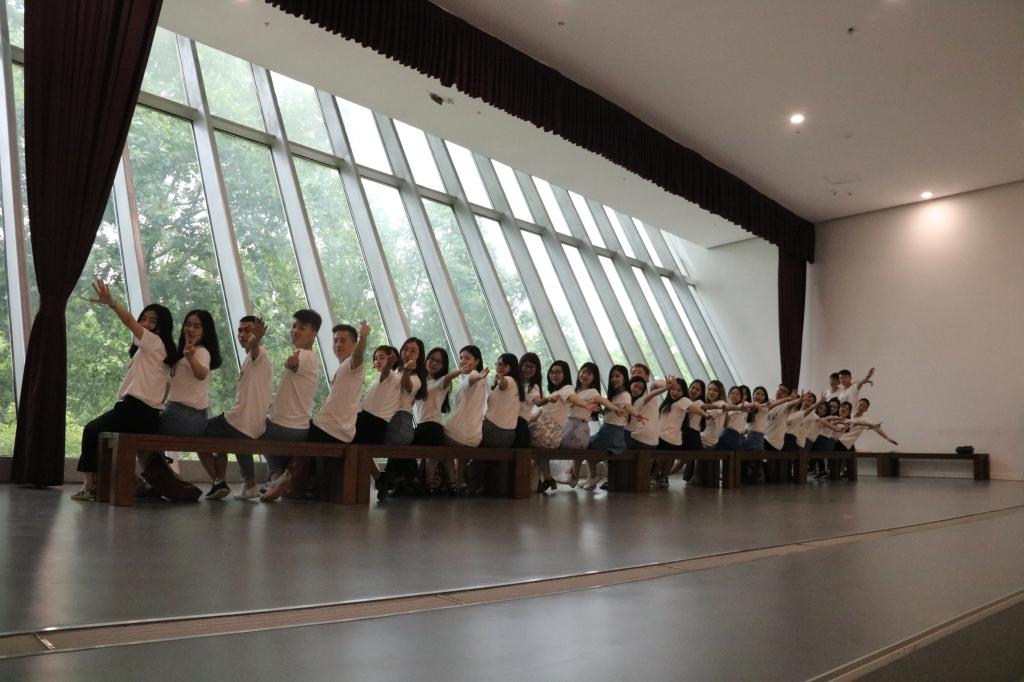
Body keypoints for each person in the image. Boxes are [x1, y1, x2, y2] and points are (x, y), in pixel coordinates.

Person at [73, 280, 177, 501]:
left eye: (152, 321)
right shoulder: (155, 349)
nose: (145, 323)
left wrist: (112, 303)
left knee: (91, 430)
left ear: (161, 326)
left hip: (137, 409)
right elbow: (166, 386)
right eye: (144, 319)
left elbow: (128, 321)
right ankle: (127, 481)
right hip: (145, 411)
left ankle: (89, 486)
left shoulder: (154, 342)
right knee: (101, 434)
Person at [200, 316, 273, 500]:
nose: (242, 334)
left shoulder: (258, 354)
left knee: (199, 430)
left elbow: (254, 346)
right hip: (252, 425)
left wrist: (256, 338)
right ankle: (250, 486)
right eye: (240, 330)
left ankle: (218, 481)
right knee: (238, 438)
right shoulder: (252, 359)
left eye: (248, 330)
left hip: (240, 420)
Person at [258, 309, 323, 502]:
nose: (295, 331)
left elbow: (295, 363)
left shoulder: (303, 355)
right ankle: (278, 478)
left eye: (302, 328)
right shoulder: (312, 358)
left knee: (252, 428)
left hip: (282, 428)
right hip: (300, 429)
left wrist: (291, 363)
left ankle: (276, 477)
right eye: (294, 326)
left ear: (313, 333)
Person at [158, 309, 222, 498]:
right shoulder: (183, 356)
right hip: (195, 419)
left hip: (180, 415)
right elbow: (169, 388)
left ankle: (164, 478)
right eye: (188, 324)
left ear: (205, 331)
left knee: (141, 427)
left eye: (197, 326)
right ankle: (219, 482)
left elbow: (201, 374)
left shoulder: (200, 352)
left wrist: (191, 357)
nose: (191, 329)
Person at [377, 337, 427, 498]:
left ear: (419, 356)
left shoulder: (416, 378)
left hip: (400, 424)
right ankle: (395, 480)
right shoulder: (395, 372)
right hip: (392, 420)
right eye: (405, 349)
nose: (407, 353)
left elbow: (407, 386)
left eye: (413, 351)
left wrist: (406, 370)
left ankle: (387, 479)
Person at [308, 322, 369, 445]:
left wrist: (363, 337)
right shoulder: (343, 367)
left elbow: (358, 355)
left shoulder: (354, 365)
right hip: (330, 429)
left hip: (329, 430)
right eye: (335, 341)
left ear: (354, 344)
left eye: (342, 341)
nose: (338, 344)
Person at [443, 345, 490, 492]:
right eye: (461, 357)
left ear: (477, 361)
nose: (463, 361)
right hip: (475, 437)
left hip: (457, 433)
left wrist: (478, 376)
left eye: (467, 358)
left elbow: (473, 379)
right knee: (461, 454)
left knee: (438, 442)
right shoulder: (483, 382)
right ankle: (460, 481)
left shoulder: (473, 376)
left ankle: (451, 480)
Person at [528, 360, 575, 491]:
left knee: (525, 440)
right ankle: (547, 478)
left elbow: (574, 398)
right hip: (550, 434)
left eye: (558, 372)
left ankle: (543, 480)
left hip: (549, 434)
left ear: (565, 374)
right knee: (540, 453)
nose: (554, 375)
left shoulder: (567, 390)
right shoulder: (555, 393)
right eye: (552, 372)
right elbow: (538, 413)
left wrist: (586, 405)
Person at [414, 347, 454, 493]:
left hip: (432, 427)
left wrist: (460, 371)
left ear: (443, 366)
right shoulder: (420, 381)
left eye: (439, 361)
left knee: (402, 446)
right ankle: (426, 483)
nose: (434, 363)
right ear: (426, 359)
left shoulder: (441, 382)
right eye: (431, 359)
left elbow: (449, 377)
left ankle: (425, 483)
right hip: (424, 426)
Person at [480, 353, 524, 449]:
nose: (500, 367)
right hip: (509, 436)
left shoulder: (508, 379)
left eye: (503, 365)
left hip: (493, 432)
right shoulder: (516, 383)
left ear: (511, 367)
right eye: (498, 364)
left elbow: (504, 384)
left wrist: (501, 380)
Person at [515, 352, 543, 448]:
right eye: (526, 366)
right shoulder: (515, 382)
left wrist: (548, 400)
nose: (528, 369)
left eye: (531, 367)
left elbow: (538, 402)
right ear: (520, 365)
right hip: (511, 424)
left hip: (519, 428)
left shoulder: (532, 387)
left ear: (537, 369)